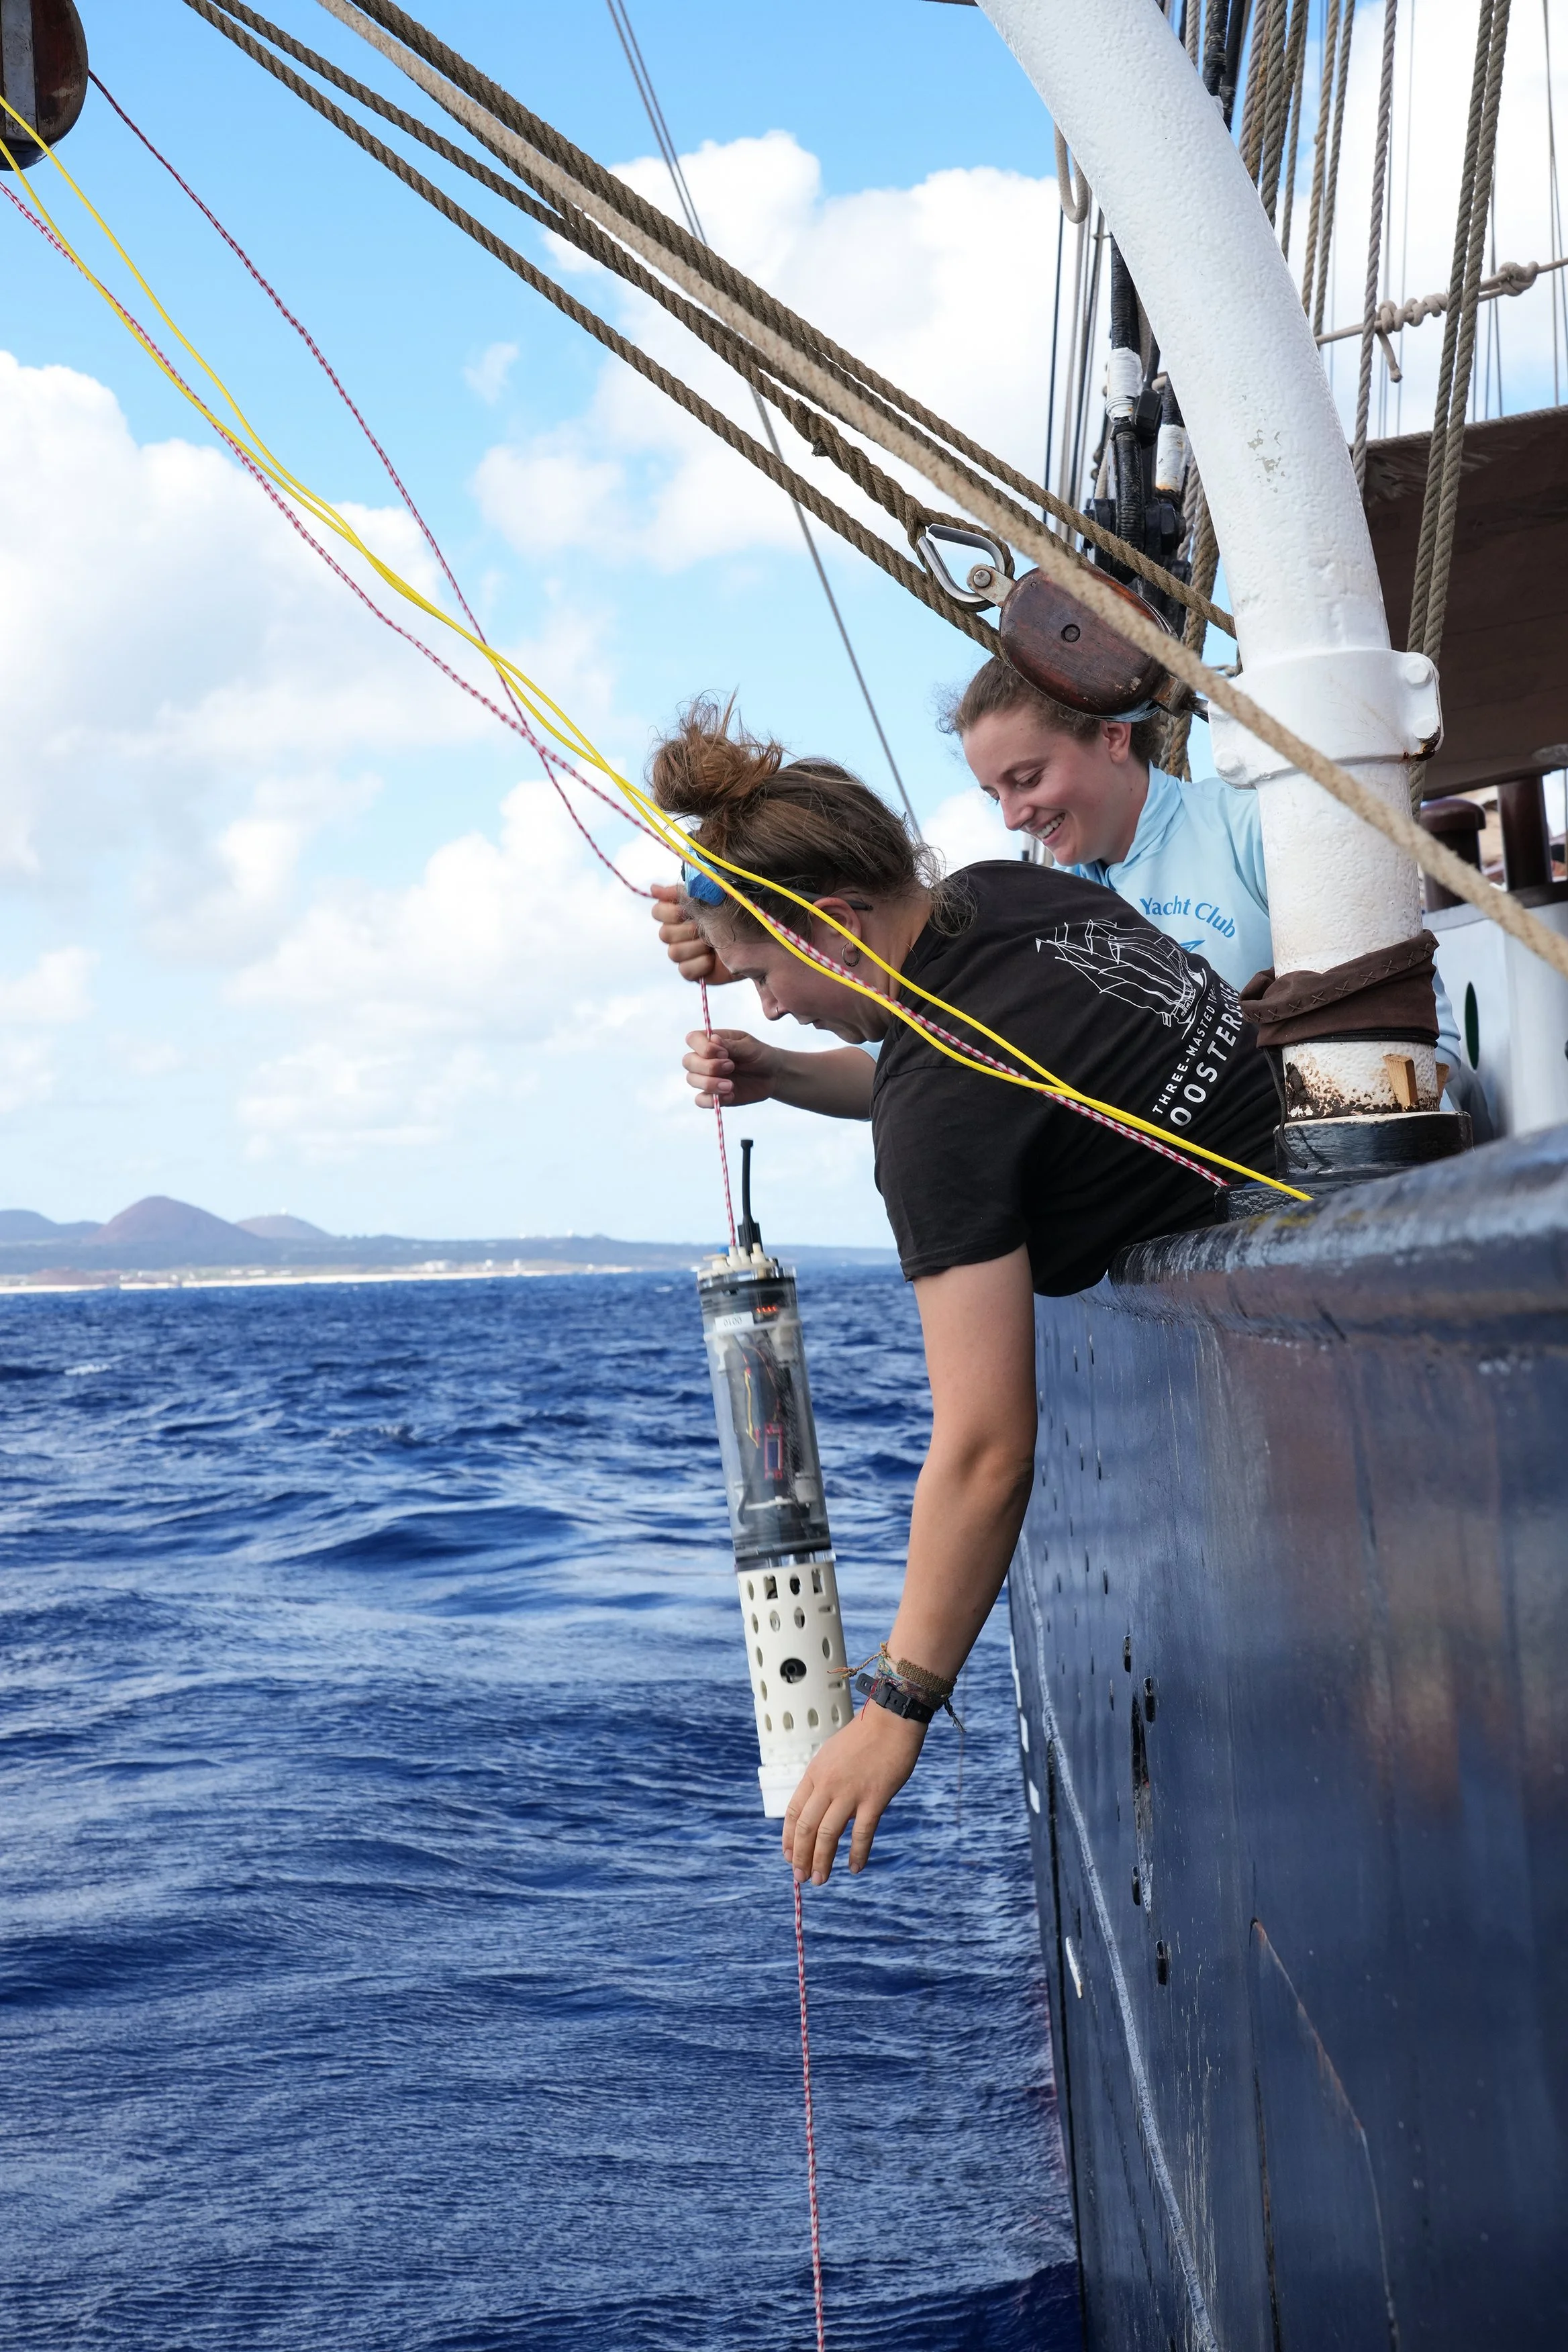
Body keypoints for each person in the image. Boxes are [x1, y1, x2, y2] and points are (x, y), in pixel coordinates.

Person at [646, 697, 1279, 1890]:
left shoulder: (935, 1123)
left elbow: (988, 1447)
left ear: (834, 925)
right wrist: (783, 1076)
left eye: (766, 976)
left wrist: (898, 1707)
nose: (768, 1005)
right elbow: (987, 1071)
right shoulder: (1007, 898)